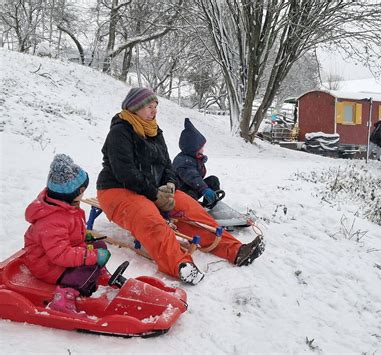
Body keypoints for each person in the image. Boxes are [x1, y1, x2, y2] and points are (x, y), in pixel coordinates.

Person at [96, 88, 264, 285]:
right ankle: (179, 265)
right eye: (149, 107)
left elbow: (167, 164)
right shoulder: (120, 132)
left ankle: (235, 250)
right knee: (150, 218)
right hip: (118, 190)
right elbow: (125, 172)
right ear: (135, 108)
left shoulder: (154, 131)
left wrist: (170, 185)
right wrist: (155, 194)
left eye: (156, 106)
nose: (154, 111)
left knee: (192, 209)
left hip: (154, 189)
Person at [23, 154, 111, 316]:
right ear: (79, 191)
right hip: (47, 265)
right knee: (90, 262)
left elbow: (67, 234)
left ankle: (95, 273)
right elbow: (60, 254)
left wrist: (84, 237)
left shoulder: (65, 205)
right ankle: (63, 296)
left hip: (57, 254)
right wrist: (92, 257)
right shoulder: (51, 220)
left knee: (98, 246)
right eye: (83, 191)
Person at [172, 117, 220, 207]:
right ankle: (193, 212)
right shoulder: (183, 161)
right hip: (179, 195)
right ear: (193, 148)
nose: (203, 149)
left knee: (213, 180)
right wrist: (204, 189)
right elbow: (193, 177)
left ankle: (211, 205)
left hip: (190, 188)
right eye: (201, 147)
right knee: (191, 193)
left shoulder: (193, 158)